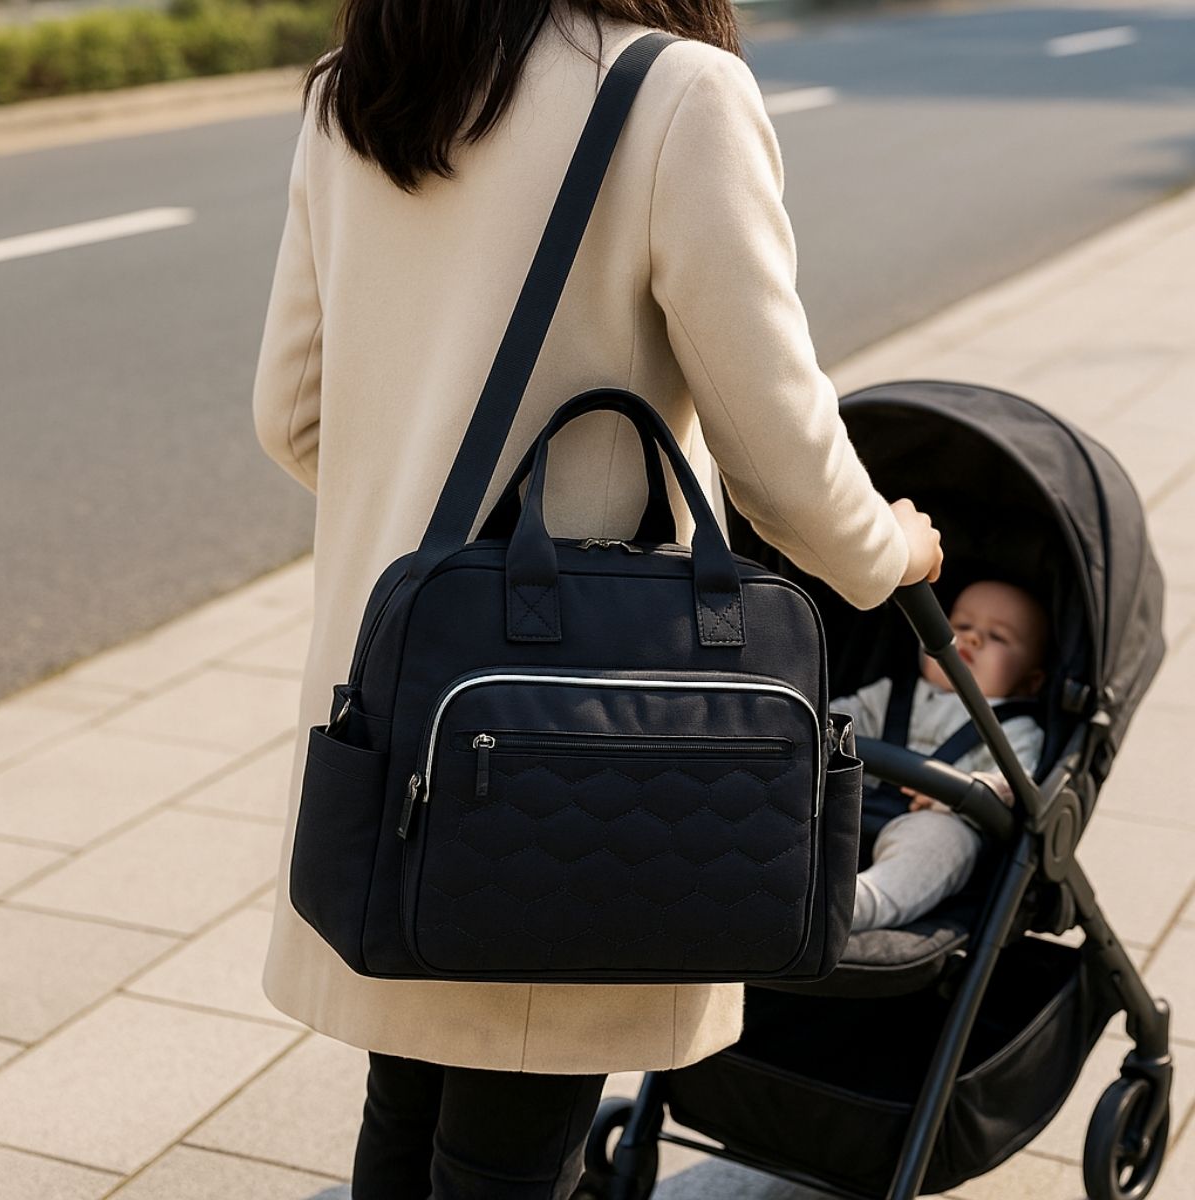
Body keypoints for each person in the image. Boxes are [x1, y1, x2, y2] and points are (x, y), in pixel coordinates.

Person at [250, 2, 943, 1196]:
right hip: (565, 723)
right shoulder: (674, 96)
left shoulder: (358, 90)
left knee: (406, 1104)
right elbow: (778, 457)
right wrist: (892, 550)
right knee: (512, 1147)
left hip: (398, 705)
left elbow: (293, 415)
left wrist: (432, 525)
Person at [834, 580, 1048, 933]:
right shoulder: (892, 693)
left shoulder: (1014, 726)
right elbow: (837, 718)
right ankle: (767, 878)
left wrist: (966, 790)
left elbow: (1016, 785)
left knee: (942, 842)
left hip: (933, 821)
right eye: (961, 626)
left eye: (997, 636)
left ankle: (849, 907)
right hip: (850, 804)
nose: (973, 638)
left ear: (1031, 682)